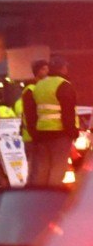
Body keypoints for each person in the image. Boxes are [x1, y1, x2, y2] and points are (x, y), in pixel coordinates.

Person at [25, 55, 78, 186]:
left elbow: (31, 115)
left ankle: (39, 198)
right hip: (60, 134)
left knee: (42, 169)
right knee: (58, 169)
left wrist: (34, 134)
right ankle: (52, 198)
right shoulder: (64, 85)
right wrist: (73, 132)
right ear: (63, 69)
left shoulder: (38, 86)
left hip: (41, 134)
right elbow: (68, 113)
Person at [15, 59, 49, 167]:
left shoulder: (42, 88)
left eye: (47, 68)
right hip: (32, 137)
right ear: (37, 71)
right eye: (44, 69)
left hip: (40, 136)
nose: (47, 71)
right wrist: (35, 134)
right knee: (35, 168)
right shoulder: (31, 90)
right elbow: (30, 116)